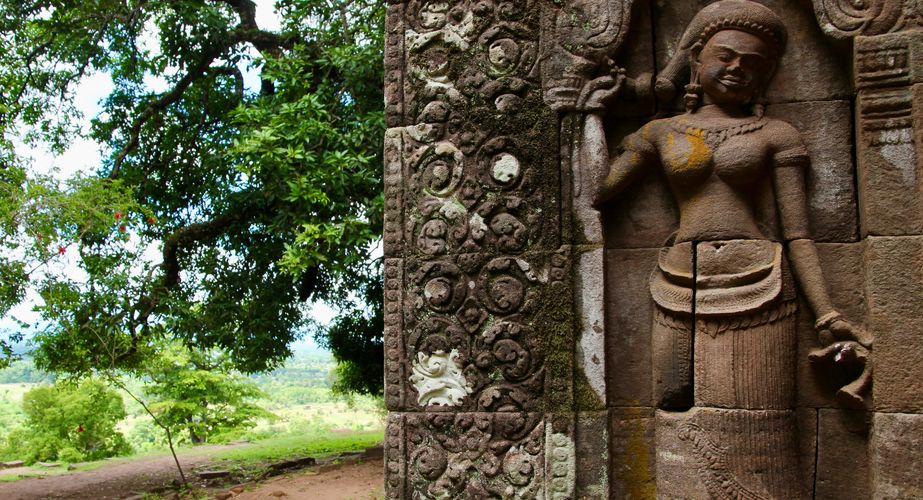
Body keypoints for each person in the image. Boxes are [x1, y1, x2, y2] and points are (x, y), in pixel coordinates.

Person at [576, 1, 871, 497]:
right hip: (675, 285)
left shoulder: (777, 134)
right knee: (675, 417)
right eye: (726, 56)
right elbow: (598, 191)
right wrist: (586, 113)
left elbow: (798, 234)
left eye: (754, 64)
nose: (738, 69)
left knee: (763, 423)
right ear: (696, 61)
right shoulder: (662, 132)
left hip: (761, 284)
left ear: (766, 76)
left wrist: (827, 313)